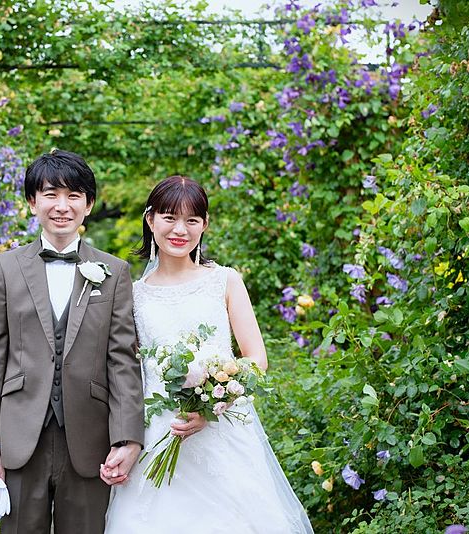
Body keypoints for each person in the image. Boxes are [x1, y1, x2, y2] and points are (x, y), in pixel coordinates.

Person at [104, 175, 314, 534]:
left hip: (222, 432)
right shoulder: (133, 294)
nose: (180, 230)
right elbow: (126, 370)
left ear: (205, 224)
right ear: (150, 220)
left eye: (192, 220)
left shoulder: (225, 281)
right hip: (158, 432)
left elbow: (256, 358)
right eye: (169, 218)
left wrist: (212, 405)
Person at [0, 149, 144, 534]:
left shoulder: (114, 273)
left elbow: (122, 362)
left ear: (89, 205)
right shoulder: (6, 268)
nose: (62, 206)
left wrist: (128, 438)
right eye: (51, 194)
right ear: (33, 202)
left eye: (73, 196)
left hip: (90, 440)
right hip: (19, 439)